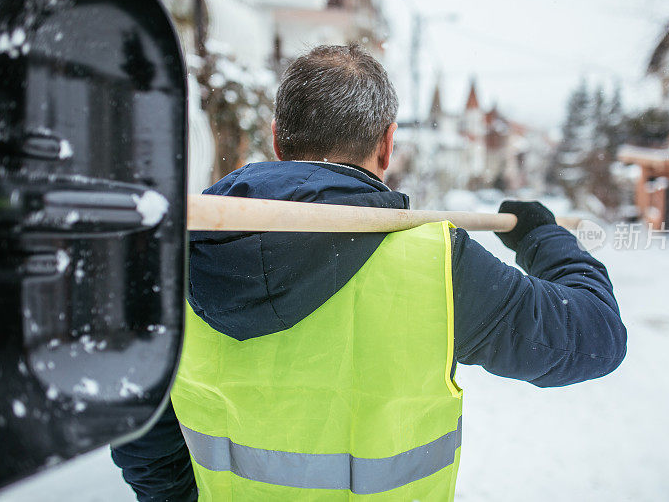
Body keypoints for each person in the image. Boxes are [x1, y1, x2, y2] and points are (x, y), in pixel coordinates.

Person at [111, 44, 627, 501]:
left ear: (277, 138)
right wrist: (542, 238)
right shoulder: (435, 265)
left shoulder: (166, 261)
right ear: (387, 143)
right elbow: (593, 336)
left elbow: (138, 420)